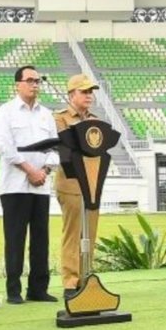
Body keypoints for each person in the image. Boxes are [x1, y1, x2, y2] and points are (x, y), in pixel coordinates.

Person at [0, 66, 60, 304]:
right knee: (15, 238)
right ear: (17, 84)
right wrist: (30, 170)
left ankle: (38, 288)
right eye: (30, 80)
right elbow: (5, 146)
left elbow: (54, 148)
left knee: (41, 238)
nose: (35, 85)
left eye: (38, 81)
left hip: (41, 185)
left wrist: (44, 171)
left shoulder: (46, 114)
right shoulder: (6, 111)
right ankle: (13, 290)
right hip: (15, 185)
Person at [54, 74, 108, 291]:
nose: (89, 96)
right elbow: (64, 145)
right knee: (73, 233)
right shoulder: (60, 118)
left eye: (91, 91)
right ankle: (70, 281)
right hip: (71, 184)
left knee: (90, 233)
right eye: (84, 91)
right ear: (71, 94)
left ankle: (87, 276)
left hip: (92, 185)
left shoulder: (95, 121)